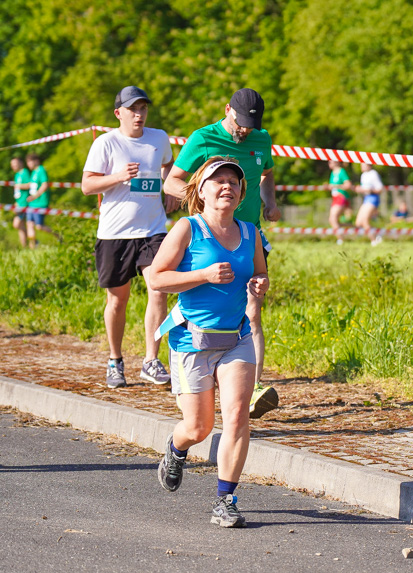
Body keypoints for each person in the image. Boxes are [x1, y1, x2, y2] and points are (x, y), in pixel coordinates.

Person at [151, 157, 269, 528]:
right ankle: (176, 449)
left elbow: (261, 274)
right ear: (200, 190)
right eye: (218, 181)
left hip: (237, 338)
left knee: (237, 417)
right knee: (199, 428)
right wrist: (202, 274)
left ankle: (226, 499)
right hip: (192, 340)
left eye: (234, 181)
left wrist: (260, 286)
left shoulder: (250, 233)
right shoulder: (188, 229)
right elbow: (156, 278)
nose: (227, 186)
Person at [164, 88, 280, 419]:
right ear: (227, 110)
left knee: (252, 312)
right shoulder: (203, 139)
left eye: (252, 125)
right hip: (208, 239)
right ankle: (194, 381)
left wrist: (269, 201)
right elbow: (172, 181)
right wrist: (202, 201)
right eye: (241, 123)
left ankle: (250, 393)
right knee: (208, 314)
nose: (245, 130)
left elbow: (268, 173)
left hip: (249, 238)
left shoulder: (261, 139)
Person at [81, 86, 175, 389]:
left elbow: (169, 165)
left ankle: (151, 360)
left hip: (153, 230)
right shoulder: (106, 143)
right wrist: (118, 177)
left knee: (158, 289)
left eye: (144, 108)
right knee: (118, 300)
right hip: (115, 234)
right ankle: (115, 360)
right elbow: (87, 186)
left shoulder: (158, 138)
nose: (139, 114)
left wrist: (170, 189)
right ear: (118, 113)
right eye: (133, 109)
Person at [24, 153, 59, 248]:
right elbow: (31, 185)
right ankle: (32, 247)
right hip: (32, 203)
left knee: (39, 226)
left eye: (29, 162)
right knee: (29, 224)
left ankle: (58, 236)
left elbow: (45, 185)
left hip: (40, 203)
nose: (28, 165)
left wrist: (35, 196)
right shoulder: (33, 172)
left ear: (36, 161)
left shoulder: (41, 170)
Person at [355, 163, 384, 245]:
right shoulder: (363, 175)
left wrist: (368, 190)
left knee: (364, 220)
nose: (361, 166)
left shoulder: (373, 174)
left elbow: (380, 189)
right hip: (366, 199)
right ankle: (377, 235)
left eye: (363, 164)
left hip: (373, 198)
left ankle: (374, 240)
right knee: (358, 222)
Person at [327, 160, 353, 241]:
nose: (329, 164)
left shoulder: (341, 171)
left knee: (333, 219)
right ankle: (357, 229)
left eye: (330, 162)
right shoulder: (333, 173)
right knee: (333, 220)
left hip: (341, 197)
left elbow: (348, 185)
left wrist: (336, 186)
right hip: (335, 198)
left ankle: (340, 239)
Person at [10, 157, 30, 248]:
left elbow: (30, 185)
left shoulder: (25, 172)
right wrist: (16, 203)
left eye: (15, 164)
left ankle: (33, 242)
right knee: (21, 226)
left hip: (24, 204)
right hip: (19, 203)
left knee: (17, 224)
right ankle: (24, 246)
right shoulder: (16, 175)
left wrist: (19, 186)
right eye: (12, 165)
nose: (13, 166)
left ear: (20, 163)